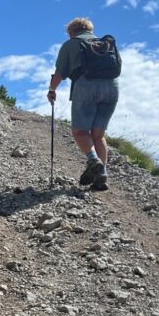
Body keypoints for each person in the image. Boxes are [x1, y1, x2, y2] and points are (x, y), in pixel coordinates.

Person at [47, 17, 119, 191]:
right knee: (99, 134)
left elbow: (60, 73)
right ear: (90, 30)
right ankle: (101, 176)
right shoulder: (104, 44)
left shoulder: (71, 44)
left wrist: (52, 90)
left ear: (71, 32)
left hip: (86, 86)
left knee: (80, 131)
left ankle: (94, 161)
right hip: (112, 88)